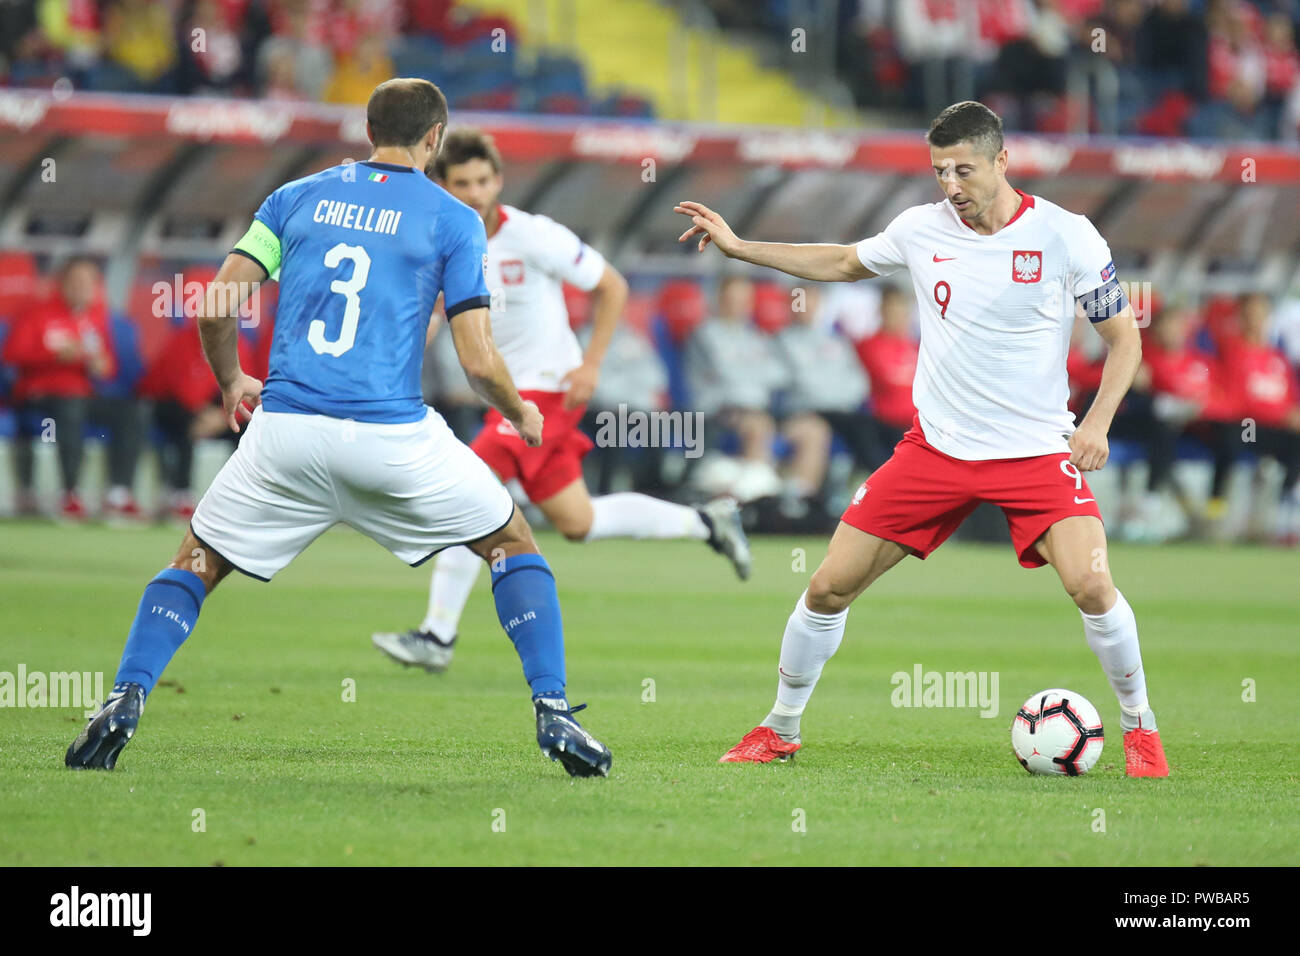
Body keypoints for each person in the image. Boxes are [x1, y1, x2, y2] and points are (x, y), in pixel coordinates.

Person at [66, 79, 612, 778]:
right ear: (435, 138)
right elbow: (477, 361)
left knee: (194, 564)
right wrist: (520, 410)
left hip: (285, 434)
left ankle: (125, 698)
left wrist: (233, 382)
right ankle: (554, 711)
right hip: (391, 440)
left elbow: (213, 307)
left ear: (367, 128)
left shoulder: (293, 198)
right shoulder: (454, 219)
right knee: (510, 542)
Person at [674, 100, 1169, 777]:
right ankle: (779, 728)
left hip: (1033, 451)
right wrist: (742, 247)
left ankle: (1141, 729)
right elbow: (845, 261)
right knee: (825, 588)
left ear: (1002, 160)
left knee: (1089, 582)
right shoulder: (920, 228)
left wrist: (1098, 423)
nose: (952, 187)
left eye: (964, 170)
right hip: (935, 450)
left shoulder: (1067, 235)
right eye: (940, 173)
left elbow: (1124, 341)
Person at [371, 129, 750, 675]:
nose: (476, 192)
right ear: (441, 185)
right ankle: (708, 523)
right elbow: (433, 310)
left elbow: (612, 286)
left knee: (469, 489)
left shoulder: (534, 235)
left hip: (549, 388)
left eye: (483, 180)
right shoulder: (443, 239)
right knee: (578, 520)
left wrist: (590, 364)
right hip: (503, 395)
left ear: (498, 180)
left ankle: (437, 635)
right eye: (462, 183)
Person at [2, 256, 116, 519]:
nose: (82, 287)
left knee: (132, 412)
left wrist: (101, 364)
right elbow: (11, 354)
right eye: (76, 281)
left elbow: (109, 368)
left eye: (89, 282)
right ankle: (70, 493)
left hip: (83, 394)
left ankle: (118, 493)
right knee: (70, 408)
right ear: (62, 283)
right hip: (38, 393)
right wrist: (54, 355)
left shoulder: (95, 318)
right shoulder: (37, 314)